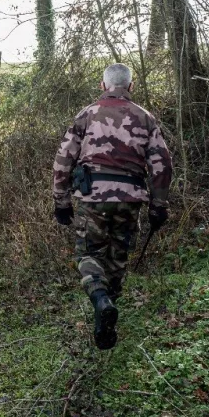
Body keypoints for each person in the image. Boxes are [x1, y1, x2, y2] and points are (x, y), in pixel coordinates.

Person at [53, 63, 172, 350]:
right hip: (130, 199)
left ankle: (100, 300)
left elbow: (63, 159)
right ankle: (106, 325)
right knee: (117, 260)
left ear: (102, 86)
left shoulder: (87, 115)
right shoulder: (145, 118)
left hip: (93, 196)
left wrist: (61, 200)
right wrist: (159, 205)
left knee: (87, 256)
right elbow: (162, 164)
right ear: (131, 87)